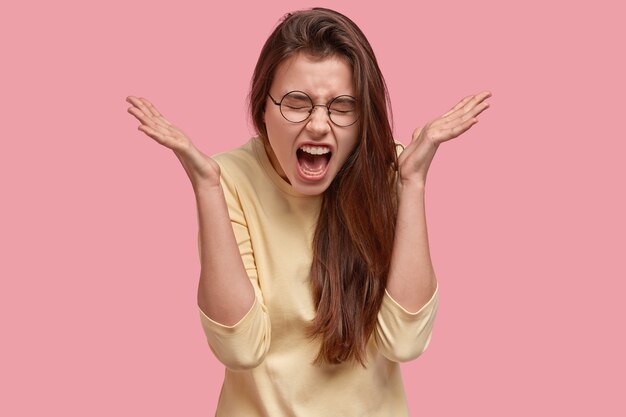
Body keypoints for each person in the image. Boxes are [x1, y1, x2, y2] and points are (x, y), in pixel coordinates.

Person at [126, 7, 490, 416]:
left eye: (342, 106)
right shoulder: (227, 178)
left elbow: (405, 343)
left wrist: (413, 183)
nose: (319, 125)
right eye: (297, 103)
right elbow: (239, 348)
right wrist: (206, 187)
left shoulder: (389, 176)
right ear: (263, 108)